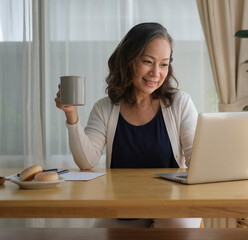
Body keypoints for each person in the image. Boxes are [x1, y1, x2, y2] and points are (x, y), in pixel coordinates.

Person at [55, 22, 201, 228]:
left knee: (176, 228)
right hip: (121, 206)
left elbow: (198, 160)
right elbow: (87, 161)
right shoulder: (105, 108)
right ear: (128, 60)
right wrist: (71, 115)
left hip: (172, 204)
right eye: (148, 61)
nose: (156, 73)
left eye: (164, 64)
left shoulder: (180, 103)